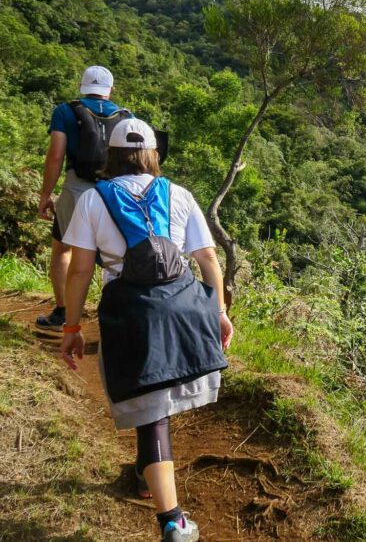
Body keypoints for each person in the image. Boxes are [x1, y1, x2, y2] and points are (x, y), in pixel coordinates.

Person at [57, 118, 233, 542]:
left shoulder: (94, 199)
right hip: (183, 305)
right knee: (155, 402)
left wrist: (73, 325)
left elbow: (80, 270)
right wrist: (220, 312)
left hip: (131, 312)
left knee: (151, 410)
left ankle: (171, 520)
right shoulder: (179, 194)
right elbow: (208, 259)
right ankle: (144, 475)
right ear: (154, 153)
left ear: (111, 155)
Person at [36, 65, 132, 330]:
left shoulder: (65, 112)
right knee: (115, 256)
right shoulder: (126, 116)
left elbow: (56, 155)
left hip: (77, 188)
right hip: (114, 191)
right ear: (110, 90)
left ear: (82, 87)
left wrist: (45, 194)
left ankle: (63, 312)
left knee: (63, 248)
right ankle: (114, 318)